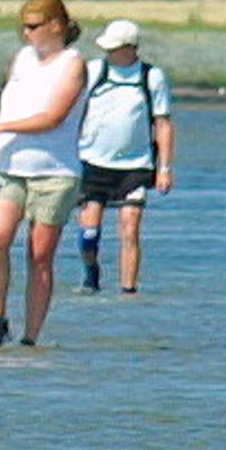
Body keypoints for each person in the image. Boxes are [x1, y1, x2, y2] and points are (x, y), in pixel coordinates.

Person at [0, 0, 89, 348]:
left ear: (56, 25)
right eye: (24, 27)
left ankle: (30, 337)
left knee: (40, 255)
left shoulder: (73, 64)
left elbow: (53, 118)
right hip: (9, 166)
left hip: (55, 172)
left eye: (34, 26)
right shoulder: (21, 58)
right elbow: (8, 106)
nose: (27, 34)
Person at [76, 19, 176, 295]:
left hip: (136, 165)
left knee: (130, 229)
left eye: (114, 48)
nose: (109, 52)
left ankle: (128, 290)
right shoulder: (94, 71)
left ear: (130, 48)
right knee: (89, 233)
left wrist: (165, 168)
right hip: (93, 161)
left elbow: (163, 124)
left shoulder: (151, 77)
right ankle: (91, 272)